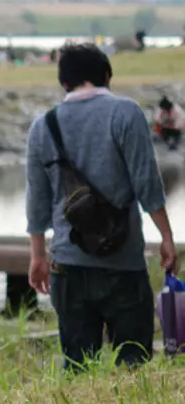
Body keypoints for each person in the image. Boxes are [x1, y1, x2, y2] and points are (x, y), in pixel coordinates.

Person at [26, 42, 178, 369]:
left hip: (67, 263)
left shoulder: (43, 126)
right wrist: (166, 235)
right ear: (107, 76)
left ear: (64, 83)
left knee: (78, 365)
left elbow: (36, 199)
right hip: (122, 262)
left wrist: (38, 255)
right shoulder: (126, 113)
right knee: (133, 359)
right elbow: (146, 183)